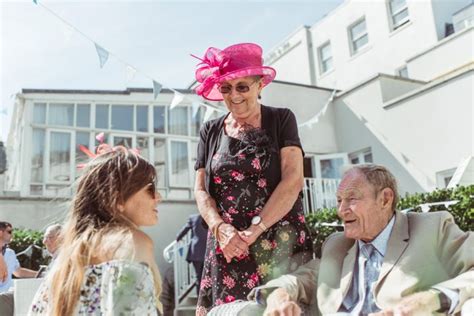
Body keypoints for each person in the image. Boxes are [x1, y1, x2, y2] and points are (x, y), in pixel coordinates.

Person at [245, 164, 473, 315]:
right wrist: (277, 295)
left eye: (351, 199)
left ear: (385, 199)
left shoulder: (432, 228)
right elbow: (302, 278)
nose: (341, 211)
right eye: (338, 200)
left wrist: (430, 300)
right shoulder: (337, 244)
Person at [192, 42, 313, 315]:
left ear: (260, 86)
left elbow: (293, 179)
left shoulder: (281, 119)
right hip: (228, 247)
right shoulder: (209, 130)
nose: (234, 95)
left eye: (242, 86)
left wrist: (254, 231)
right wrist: (220, 229)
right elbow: (201, 190)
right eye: (226, 88)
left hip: (280, 242)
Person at [28, 146, 163, 315]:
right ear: (117, 197)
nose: (158, 197)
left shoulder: (65, 264)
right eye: (150, 188)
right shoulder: (130, 243)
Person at [0, 222, 37, 316]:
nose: (12, 235)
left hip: (7, 299)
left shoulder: (10, 253)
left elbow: (19, 272)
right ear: (0, 233)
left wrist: (39, 274)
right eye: (9, 232)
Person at [176, 213, 207, 294]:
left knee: (198, 277)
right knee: (207, 276)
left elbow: (184, 231)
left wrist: (178, 238)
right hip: (207, 251)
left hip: (196, 252)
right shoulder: (210, 217)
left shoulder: (193, 218)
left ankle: (199, 300)